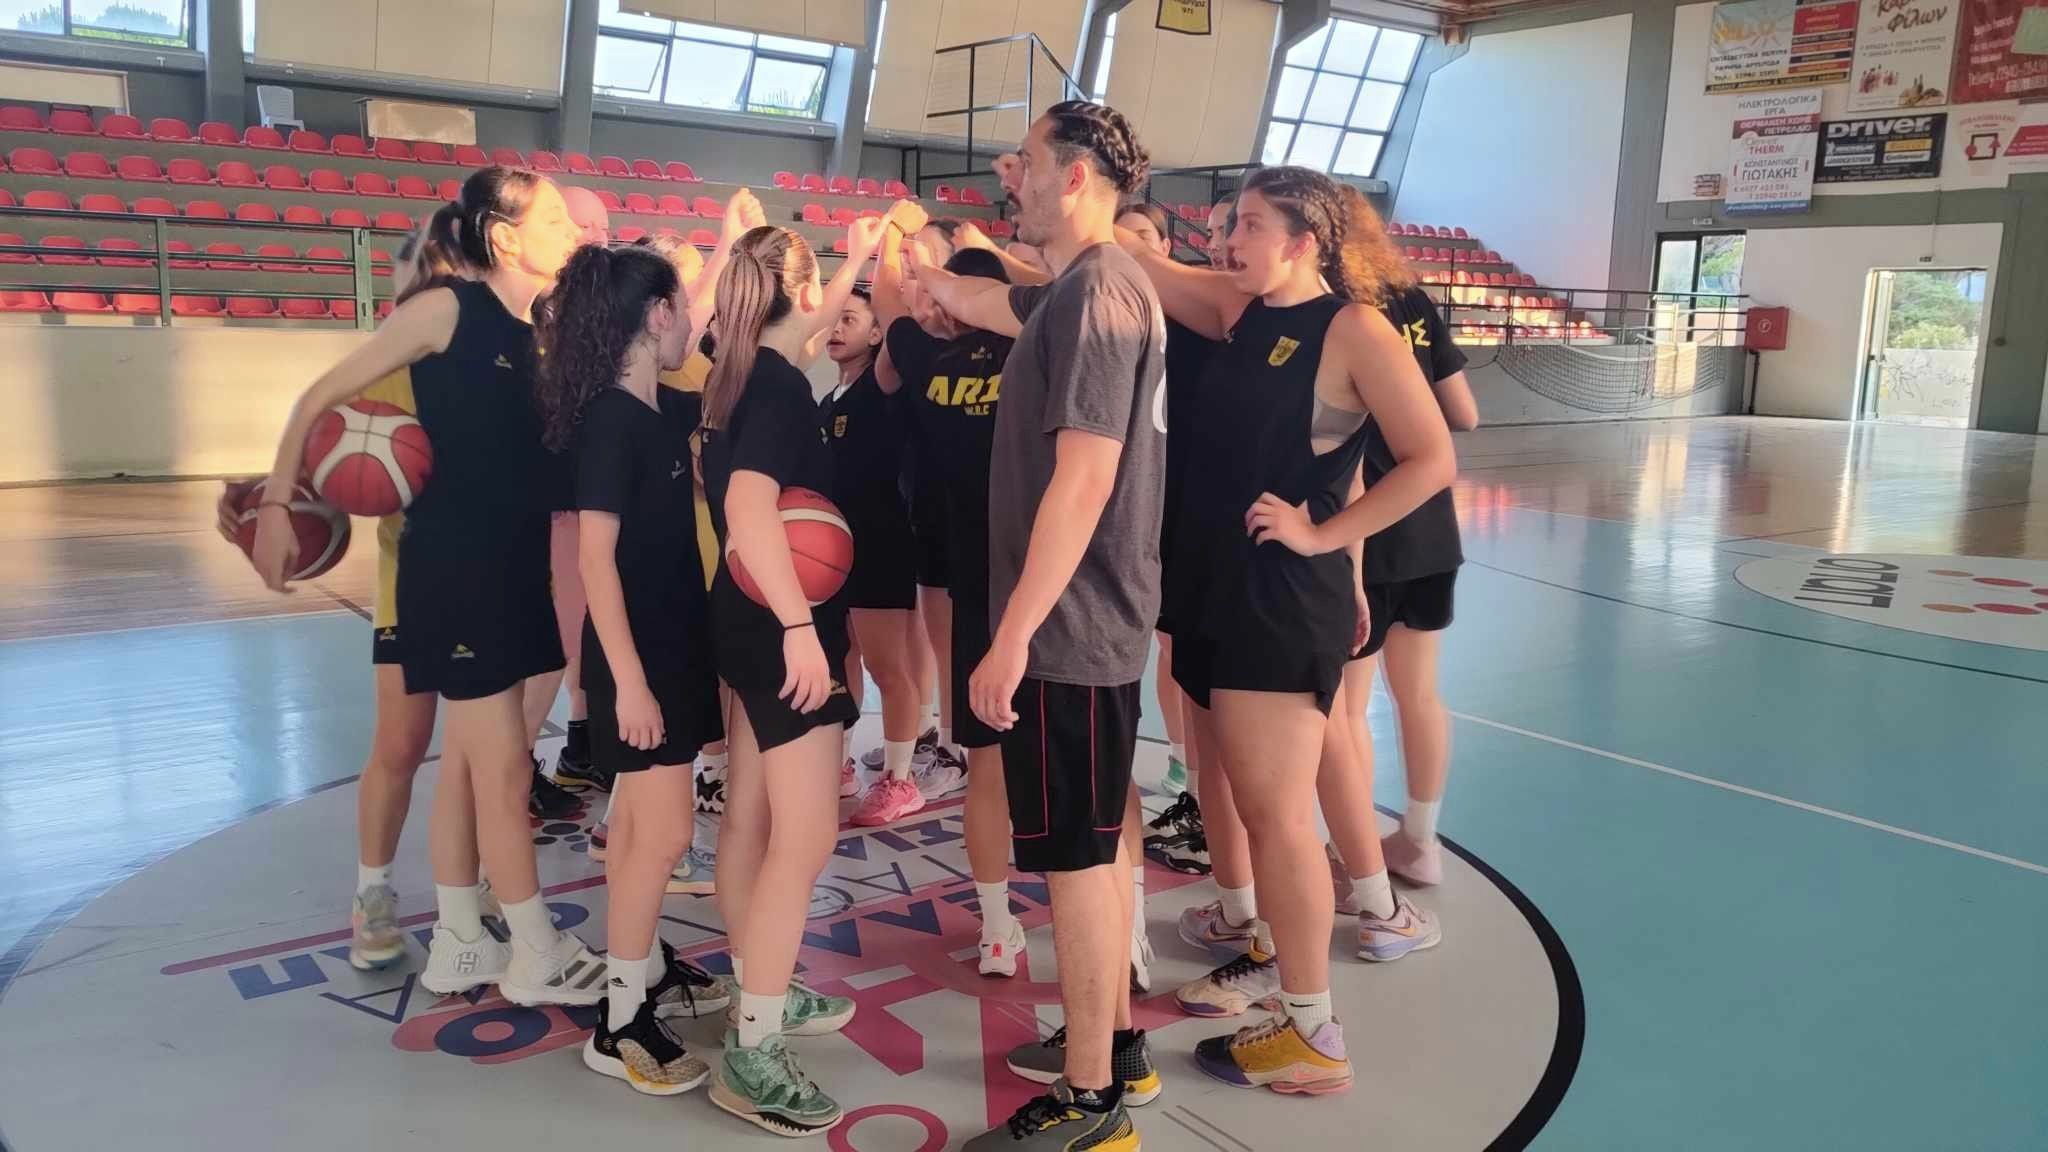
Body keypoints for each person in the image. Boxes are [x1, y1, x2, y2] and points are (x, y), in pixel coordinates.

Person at [1113, 164, 1456, 1096]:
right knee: (1239, 798)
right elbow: (1140, 263)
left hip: (1277, 595)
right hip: (1212, 585)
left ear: (1305, 241)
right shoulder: (1241, 311)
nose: (1231, 240)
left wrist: (1327, 540)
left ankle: (1313, 1035)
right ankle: (1273, 970)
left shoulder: (1353, 328)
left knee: (1278, 819)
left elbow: (1431, 457)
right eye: (1230, 224)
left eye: (1251, 225)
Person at [252, 167, 607, 1005]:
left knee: (475, 768)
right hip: (455, 571)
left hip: (512, 567)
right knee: (501, 768)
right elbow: (317, 396)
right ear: (505, 236)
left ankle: (459, 942)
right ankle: (534, 946)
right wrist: (274, 505)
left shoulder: (539, 331)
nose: (573, 231)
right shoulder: (447, 309)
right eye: (556, 219)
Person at [912, 100, 1165, 1151]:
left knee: (1076, 859)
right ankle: (1113, 1047)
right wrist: (931, 275)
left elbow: (1085, 477)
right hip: (1082, 624)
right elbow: (992, 300)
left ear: (1073, 178)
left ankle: (1091, 1101)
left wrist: (1012, 634)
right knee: (1089, 849)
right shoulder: (1076, 289)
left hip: (1070, 628)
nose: (1005, 172)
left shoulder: (1099, 294)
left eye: (1023, 160)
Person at [700, 218, 885, 1137]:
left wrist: (853, 256)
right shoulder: (776, 387)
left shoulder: (741, 370)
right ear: (804, 296)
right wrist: (802, 628)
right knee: (804, 835)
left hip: (739, 623)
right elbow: (748, 510)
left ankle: (753, 986)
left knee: (749, 818)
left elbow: (801, 318)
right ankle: (755, 1049)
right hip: (780, 630)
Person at [535, 242, 732, 1093]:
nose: (692, 325)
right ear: (656, 316)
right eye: (683, 309)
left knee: (649, 836)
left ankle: (642, 971)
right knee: (662, 838)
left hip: (671, 649)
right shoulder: (612, 422)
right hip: (639, 663)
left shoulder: (657, 410)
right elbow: (595, 562)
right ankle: (618, 1023)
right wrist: (632, 684)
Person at [870, 207, 1028, 976]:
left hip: (982, 592)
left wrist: (894, 242)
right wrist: (984, 250)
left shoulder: (931, 362)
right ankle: (1117, 926)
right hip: (1044, 588)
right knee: (1075, 769)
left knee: (989, 765)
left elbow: (887, 302)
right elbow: (1072, 287)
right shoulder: (1039, 349)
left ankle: (997, 927)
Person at [1331, 281, 1477, 897]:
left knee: (1349, 707)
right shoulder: (1410, 299)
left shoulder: (1329, 310)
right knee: (1418, 693)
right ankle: (1420, 840)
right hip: (1431, 528)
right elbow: (1464, 413)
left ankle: (1357, 858)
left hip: (1366, 528)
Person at [822, 287, 954, 824]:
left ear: (878, 332)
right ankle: (841, 764)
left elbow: (896, 323)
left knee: (887, 667)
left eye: (850, 319)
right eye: (833, 319)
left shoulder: (880, 384)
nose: (836, 328)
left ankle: (901, 781)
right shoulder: (827, 401)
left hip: (882, 542)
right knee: (843, 658)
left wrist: (890, 262)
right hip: (835, 550)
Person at [545, 182, 617, 794]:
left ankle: (580, 746)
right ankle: (514, 776)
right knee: (560, 645)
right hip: (557, 508)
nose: (599, 238)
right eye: (585, 225)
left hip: (575, 499)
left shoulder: (579, 310)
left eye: (604, 227)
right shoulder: (546, 313)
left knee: (579, 641)